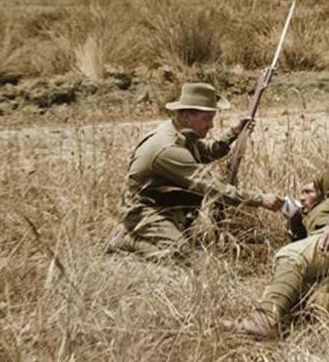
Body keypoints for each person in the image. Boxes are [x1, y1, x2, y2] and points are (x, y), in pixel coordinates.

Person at [105, 82, 284, 260]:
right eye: (207, 119)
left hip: (163, 204)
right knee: (180, 255)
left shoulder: (180, 131)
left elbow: (205, 153)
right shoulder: (168, 147)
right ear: (187, 116)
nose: (212, 125)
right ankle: (125, 240)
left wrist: (234, 133)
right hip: (144, 210)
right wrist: (260, 200)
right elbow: (212, 188)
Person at [224, 172, 329, 343]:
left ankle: (262, 322)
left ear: (327, 192)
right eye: (301, 193)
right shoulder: (308, 217)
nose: (302, 198)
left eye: (308, 192)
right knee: (295, 297)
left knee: (288, 256)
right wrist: (295, 221)